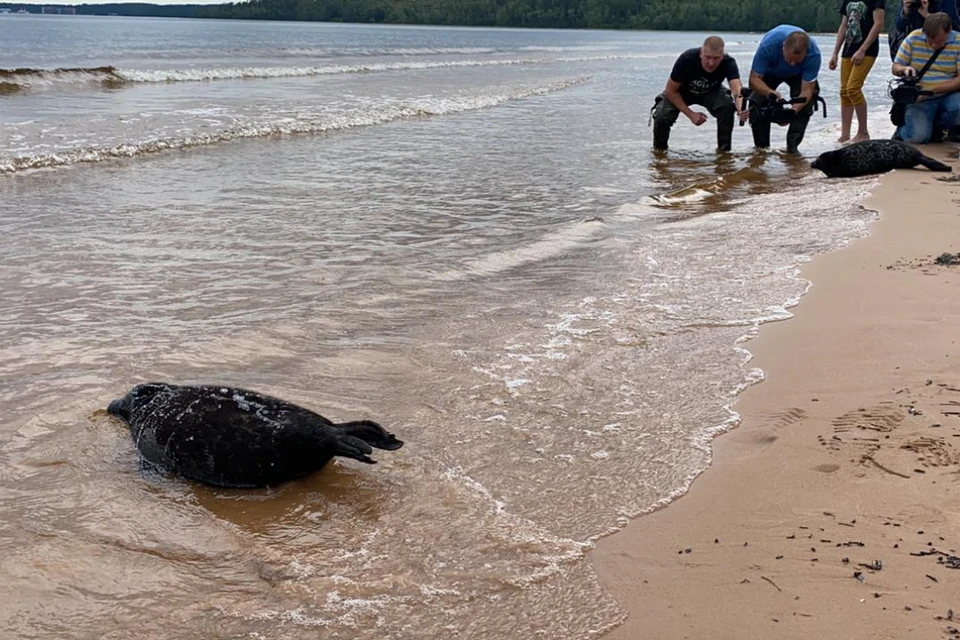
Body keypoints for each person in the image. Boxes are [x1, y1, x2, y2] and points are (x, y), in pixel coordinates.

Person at [652, 36, 746, 152]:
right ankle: (659, 153)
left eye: (716, 58)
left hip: (711, 91)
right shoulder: (687, 58)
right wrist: (691, 114)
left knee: (726, 106)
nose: (711, 63)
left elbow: (737, 89)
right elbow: (671, 90)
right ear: (701, 53)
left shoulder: (728, 62)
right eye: (708, 57)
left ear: (722, 56)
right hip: (681, 92)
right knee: (662, 115)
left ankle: (724, 153)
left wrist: (741, 108)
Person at [747, 26, 822, 154]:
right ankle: (761, 149)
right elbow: (754, 80)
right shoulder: (768, 46)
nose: (792, 63)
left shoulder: (813, 54)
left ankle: (792, 147)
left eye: (797, 60)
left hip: (798, 75)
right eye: (789, 59)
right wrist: (770, 93)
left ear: (806, 52)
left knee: (807, 103)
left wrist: (793, 111)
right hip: (771, 71)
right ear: (783, 47)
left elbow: (807, 90)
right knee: (757, 103)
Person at [891, 12, 960, 143]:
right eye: (929, 40)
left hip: (947, 95)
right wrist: (904, 69)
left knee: (958, 108)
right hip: (918, 98)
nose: (933, 45)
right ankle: (904, 130)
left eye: (938, 41)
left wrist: (931, 91)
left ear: (949, 30)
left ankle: (938, 126)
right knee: (917, 137)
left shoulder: (958, 42)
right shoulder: (914, 37)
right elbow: (895, 67)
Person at [829, 0, 885, 143]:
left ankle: (863, 132)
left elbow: (878, 23)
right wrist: (835, 52)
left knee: (853, 88)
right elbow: (844, 25)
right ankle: (845, 133)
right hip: (848, 48)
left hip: (867, 50)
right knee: (844, 91)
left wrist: (862, 50)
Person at [889, 0, 960, 62]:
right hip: (916, 49)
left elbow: (953, 28)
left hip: (943, 51)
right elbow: (899, 26)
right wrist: (905, 10)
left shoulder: (948, 2)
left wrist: (928, 16)